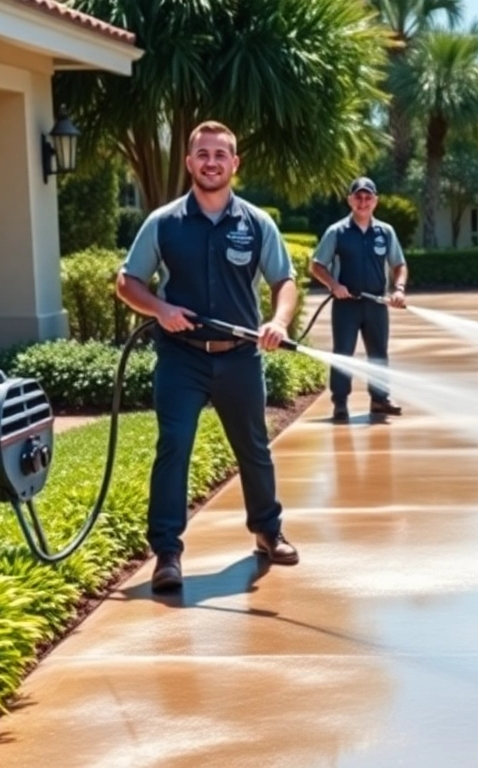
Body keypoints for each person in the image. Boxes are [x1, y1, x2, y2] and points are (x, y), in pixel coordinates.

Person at [115, 120, 300, 593]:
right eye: (203, 153)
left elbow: (286, 282)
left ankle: (266, 530)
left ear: (234, 163)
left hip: (240, 358)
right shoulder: (164, 222)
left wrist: (278, 322)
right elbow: (127, 282)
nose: (211, 161)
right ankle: (168, 553)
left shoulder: (257, 223)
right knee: (173, 446)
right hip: (182, 358)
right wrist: (160, 308)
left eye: (221, 154)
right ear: (189, 161)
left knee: (253, 447)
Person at [310, 177, 409, 423]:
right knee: (343, 354)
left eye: (368, 197)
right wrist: (334, 285)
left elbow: (399, 265)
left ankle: (379, 399)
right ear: (350, 200)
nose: (363, 202)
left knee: (378, 353)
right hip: (346, 305)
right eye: (358, 197)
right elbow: (316, 265)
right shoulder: (337, 232)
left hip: (376, 304)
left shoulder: (385, 232)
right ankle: (340, 403)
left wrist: (398, 289)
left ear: (375, 201)